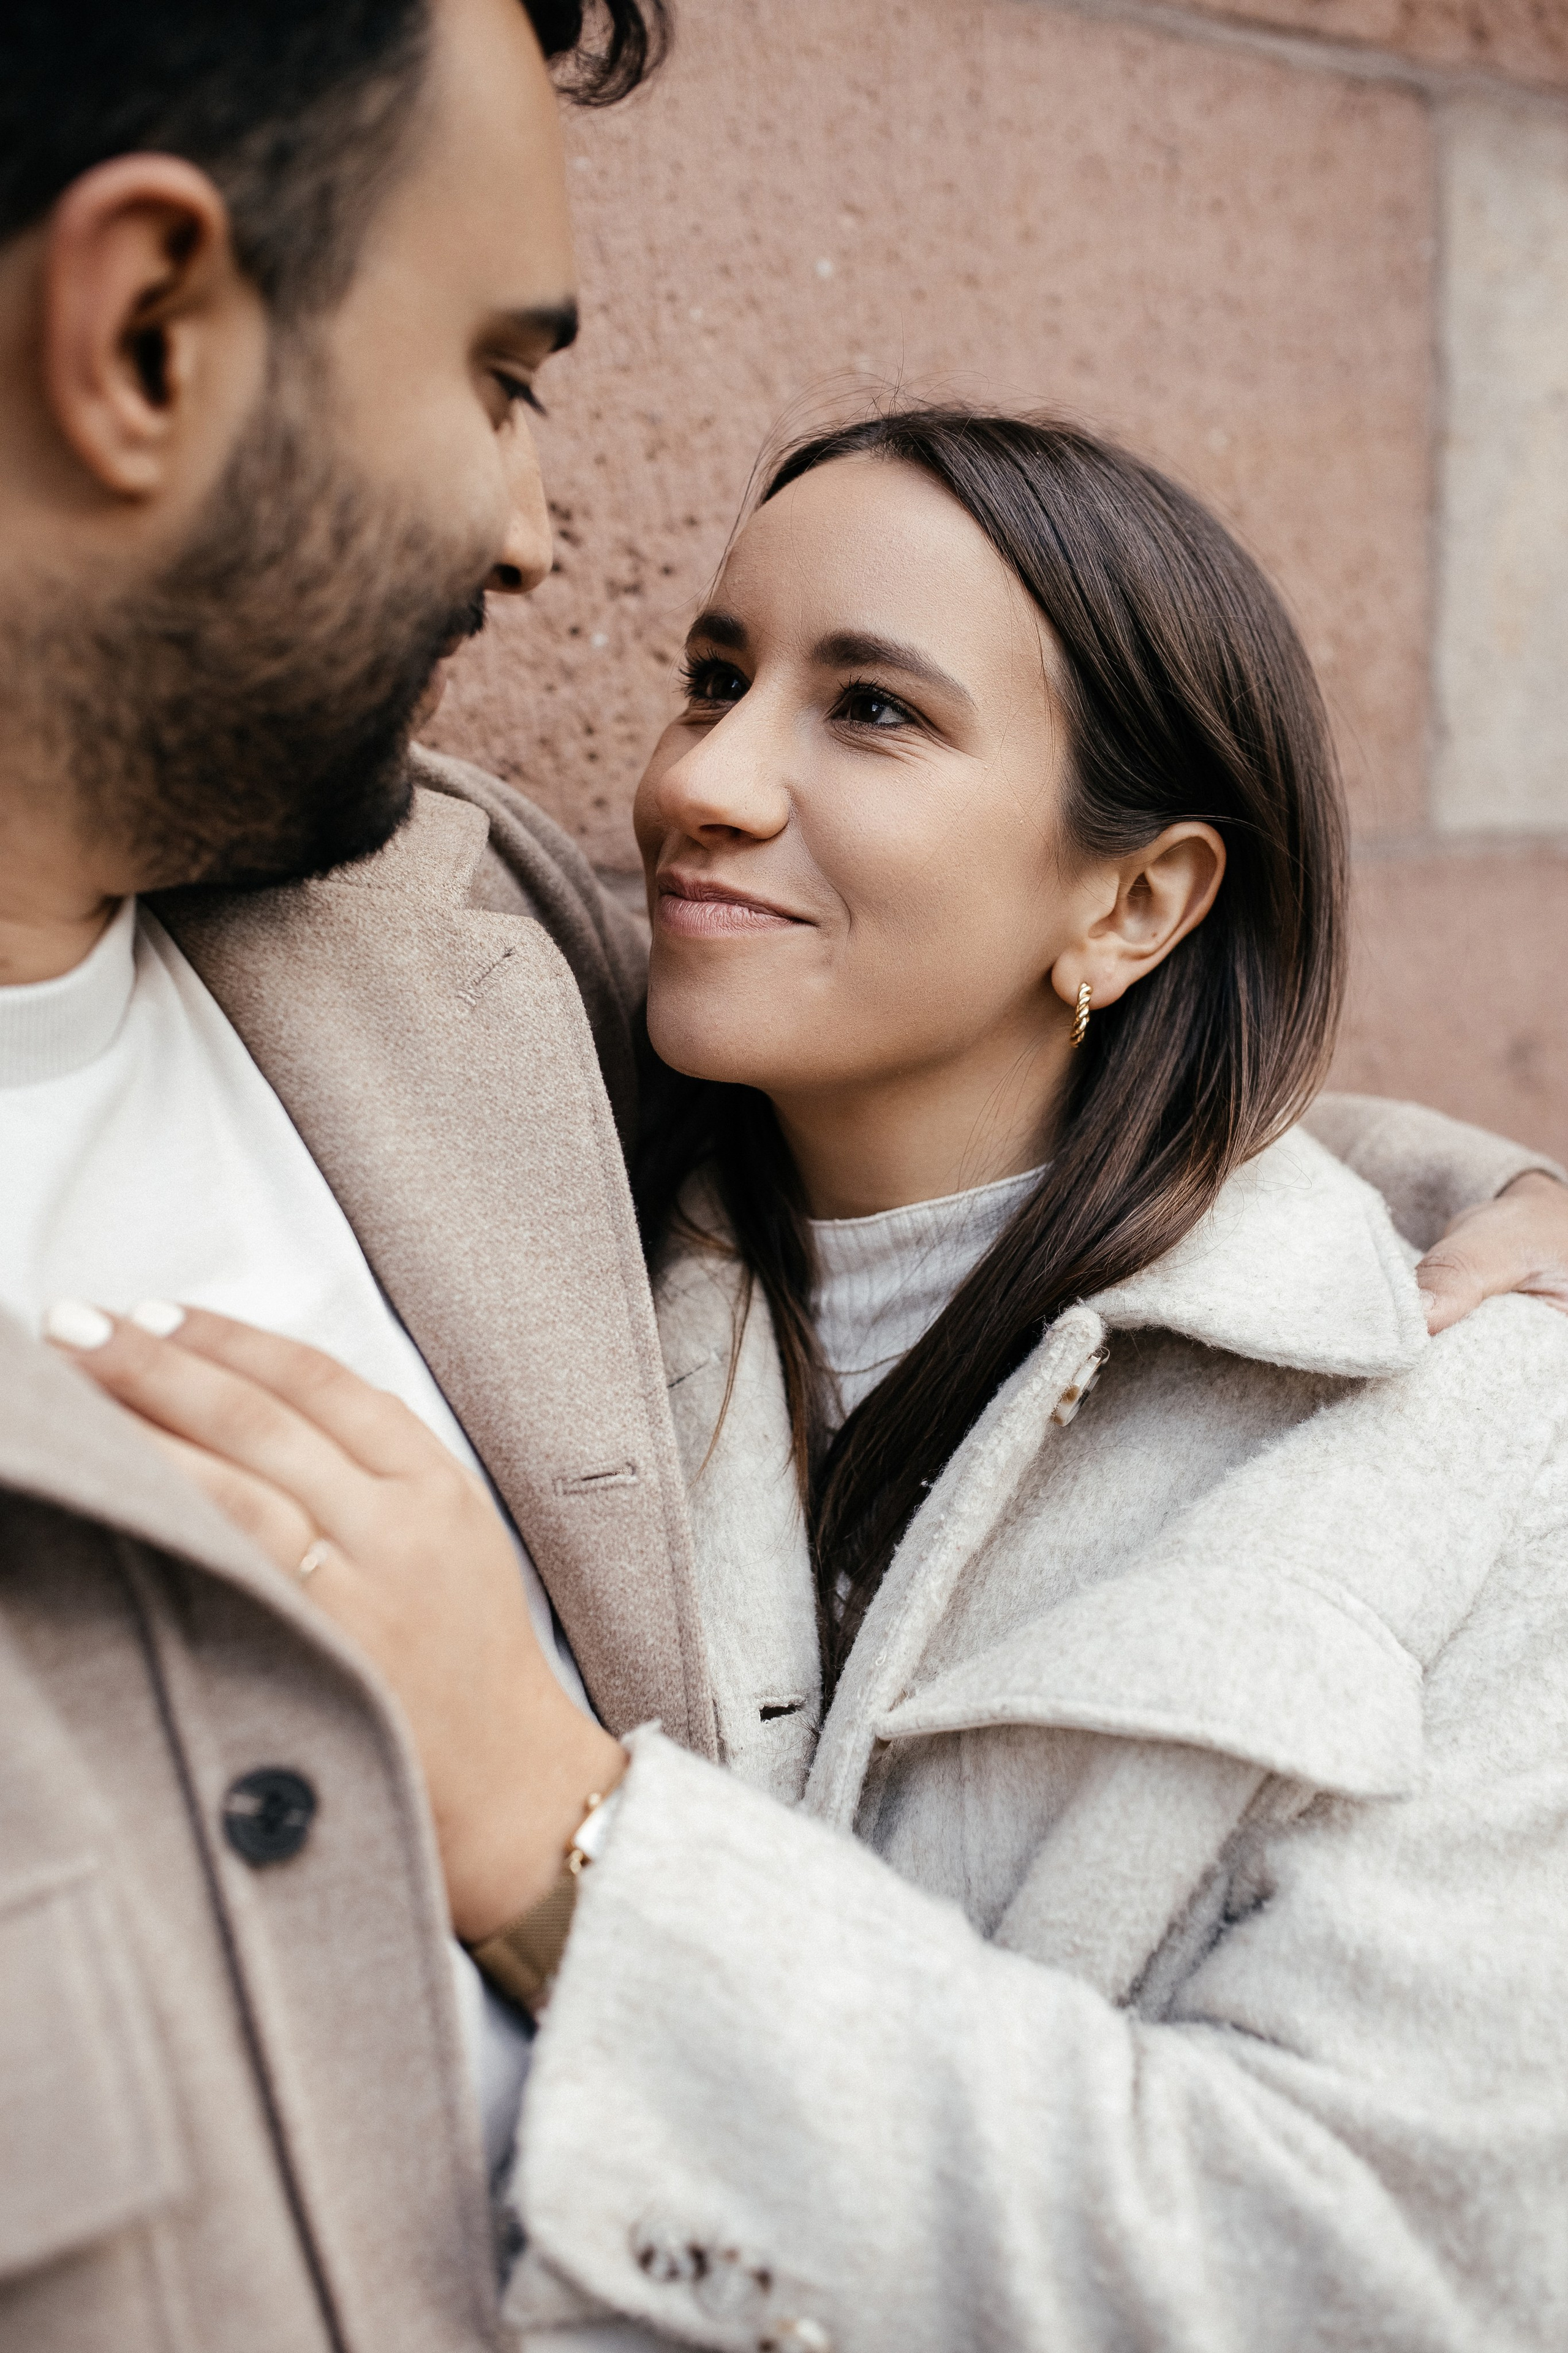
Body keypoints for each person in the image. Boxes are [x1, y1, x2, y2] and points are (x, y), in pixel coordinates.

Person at [53, 408, 1568, 2352]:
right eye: (713, 674)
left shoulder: (1478, 1448)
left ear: (1134, 903)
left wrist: (557, 1823)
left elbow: (1387, 2283)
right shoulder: (543, 1249)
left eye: (871, 713)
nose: (703, 778)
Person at [0, 6, 704, 2349]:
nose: (537, 533)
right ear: (143, 336)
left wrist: (1472, 1218)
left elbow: (1017, 1083)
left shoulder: (446, 916)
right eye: (501, 376)